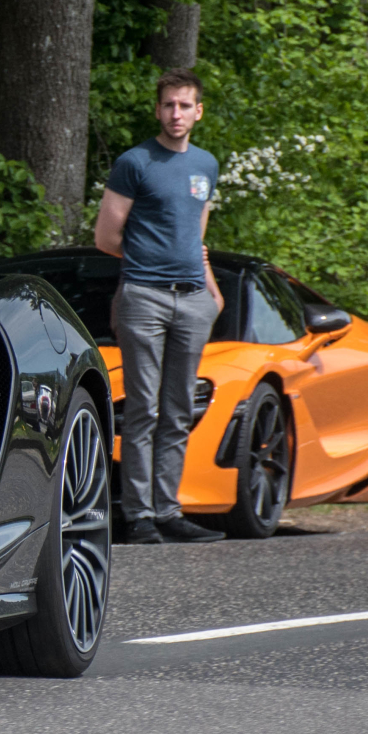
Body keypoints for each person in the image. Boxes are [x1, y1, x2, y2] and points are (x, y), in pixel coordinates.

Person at [96, 68, 225, 545]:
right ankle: (140, 516)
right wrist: (150, 263)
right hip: (144, 296)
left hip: (193, 299)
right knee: (143, 408)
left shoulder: (206, 165)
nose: (176, 113)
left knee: (177, 409)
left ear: (198, 111)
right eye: (168, 104)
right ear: (158, 109)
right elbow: (106, 236)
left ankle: (170, 510)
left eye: (185, 105)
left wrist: (211, 292)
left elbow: (196, 234)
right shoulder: (136, 162)